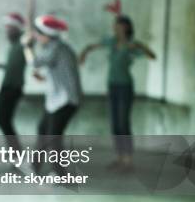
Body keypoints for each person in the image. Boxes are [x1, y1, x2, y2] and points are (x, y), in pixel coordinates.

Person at [79, 14, 156, 170]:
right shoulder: (112, 41)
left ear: (126, 27)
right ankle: (120, 157)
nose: (114, 28)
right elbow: (92, 46)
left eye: (118, 25)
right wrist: (84, 53)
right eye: (114, 25)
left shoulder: (131, 45)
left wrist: (140, 46)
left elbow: (152, 56)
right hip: (112, 86)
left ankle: (128, 160)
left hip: (125, 87)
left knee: (123, 122)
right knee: (115, 124)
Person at [22, 15, 82, 175]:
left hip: (65, 100)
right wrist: (42, 77)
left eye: (38, 33)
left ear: (46, 35)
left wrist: (27, 47)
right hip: (57, 100)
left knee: (52, 137)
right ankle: (35, 166)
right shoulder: (57, 48)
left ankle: (61, 174)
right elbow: (59, 73)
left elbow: (34, 63)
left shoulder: (56, 48)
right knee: (43, 130)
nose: (36, 36)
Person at [0, 13, 27, 150]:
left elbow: (30, 37)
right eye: (6, 27)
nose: (7, 31)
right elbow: (13, 66)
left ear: (17, 28)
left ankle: (16, 153)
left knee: (3, 120)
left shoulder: (23, 42)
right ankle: (15, 152)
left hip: (12, 88)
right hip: (7, 87)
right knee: (4, 120)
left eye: (10, 27)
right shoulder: (13, 46)